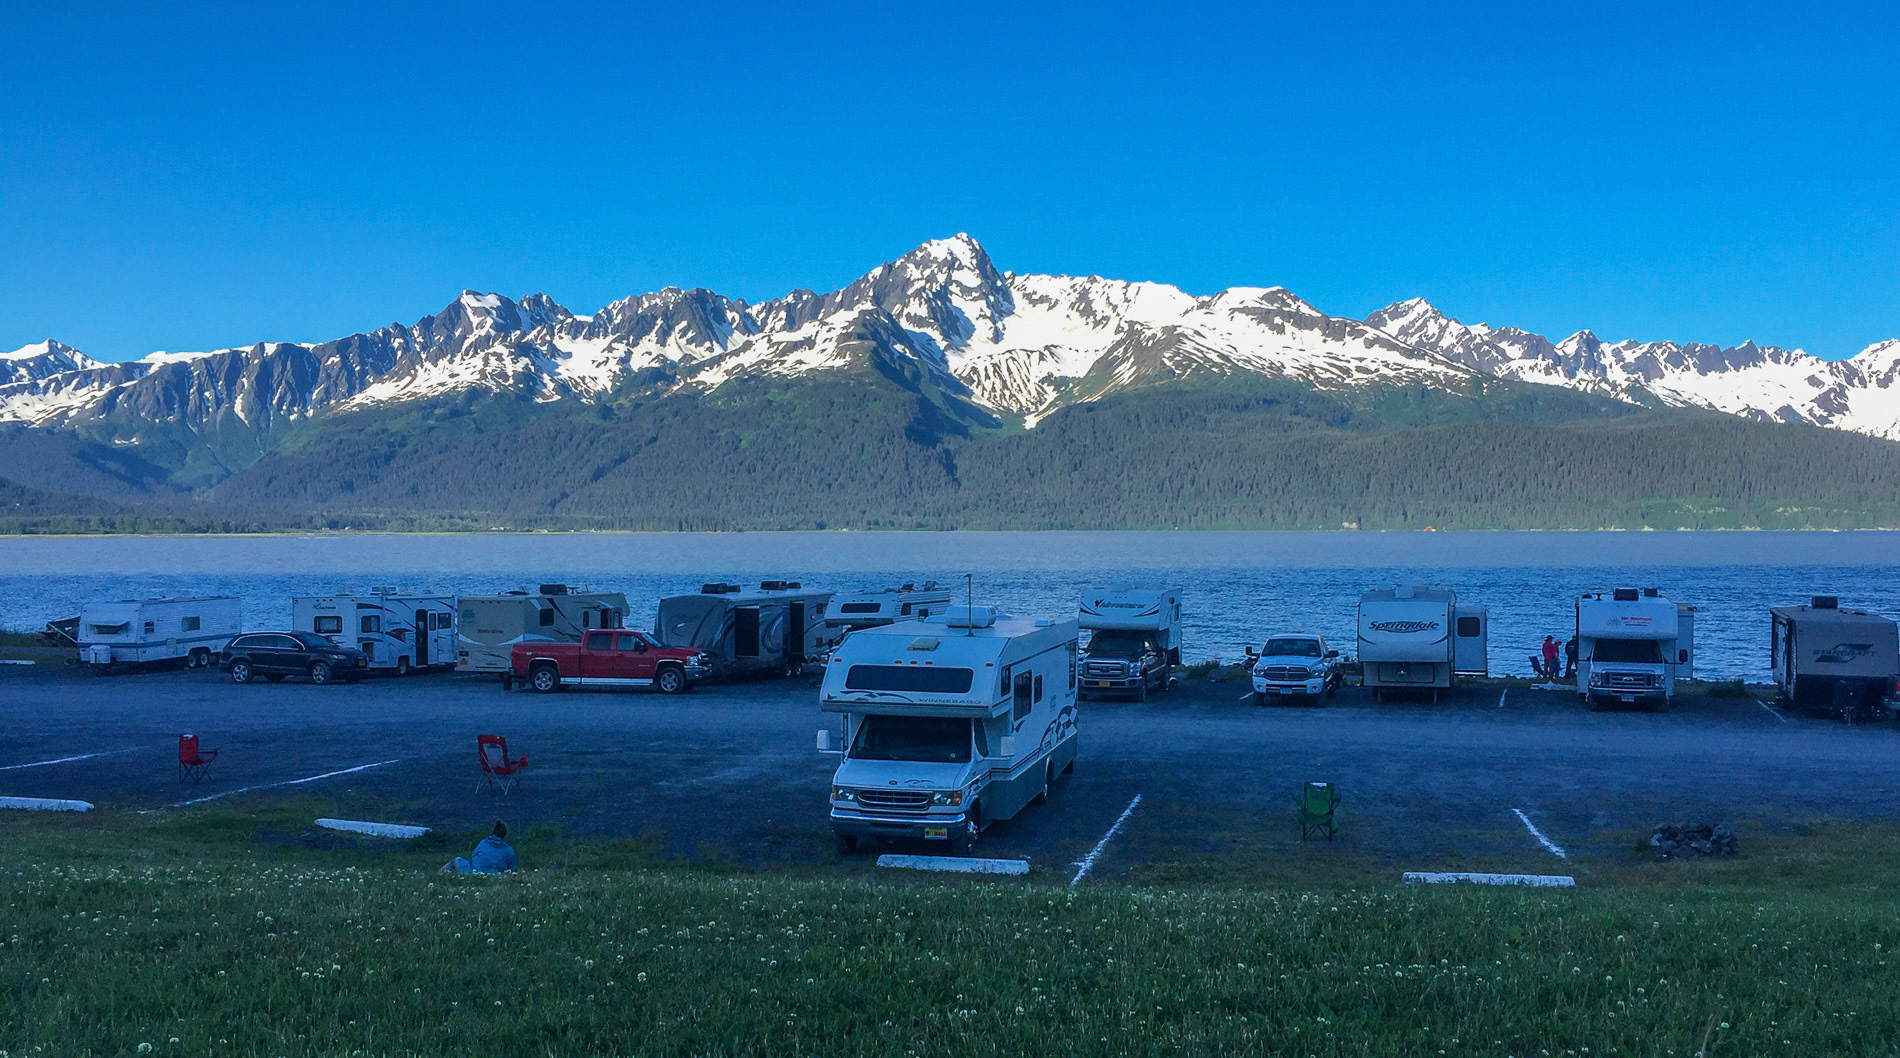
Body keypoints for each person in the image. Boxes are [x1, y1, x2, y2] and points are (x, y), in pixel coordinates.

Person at [445, 821, 517, 874]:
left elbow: (473, 857)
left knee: (457, 860)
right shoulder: (509, 850)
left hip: (475, 872)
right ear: (505, 835)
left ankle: (440, 874)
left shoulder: (483, 843)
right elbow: (513, 869)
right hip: (496, 874)